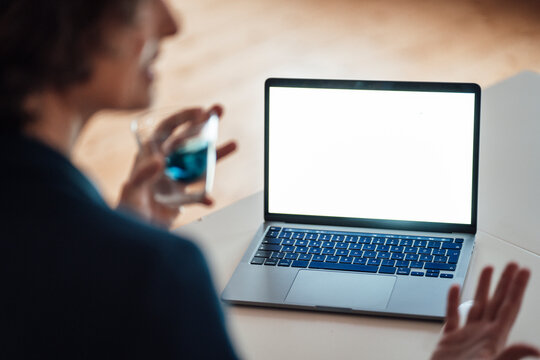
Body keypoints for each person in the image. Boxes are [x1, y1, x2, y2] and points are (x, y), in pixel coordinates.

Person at [0, 0, 538, 359]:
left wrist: (128, 223)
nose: (170, 22)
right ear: (67, 24)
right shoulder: (160, 275)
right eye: (144, 1)